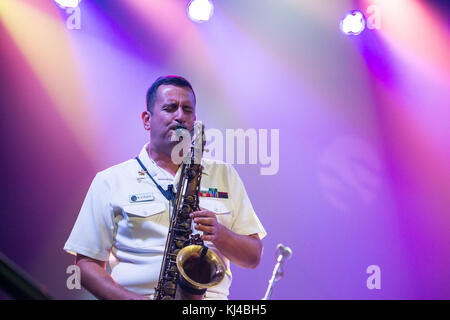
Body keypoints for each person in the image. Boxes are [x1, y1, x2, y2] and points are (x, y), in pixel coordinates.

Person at [64, 75, 266, 300]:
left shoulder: (224, 174)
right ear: (147, 120)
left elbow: (253, 256)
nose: (180, 116)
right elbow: (85, 265)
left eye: (187, 110)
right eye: (170, 108)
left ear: (194, 120)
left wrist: (221, 235)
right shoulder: (110, 180)